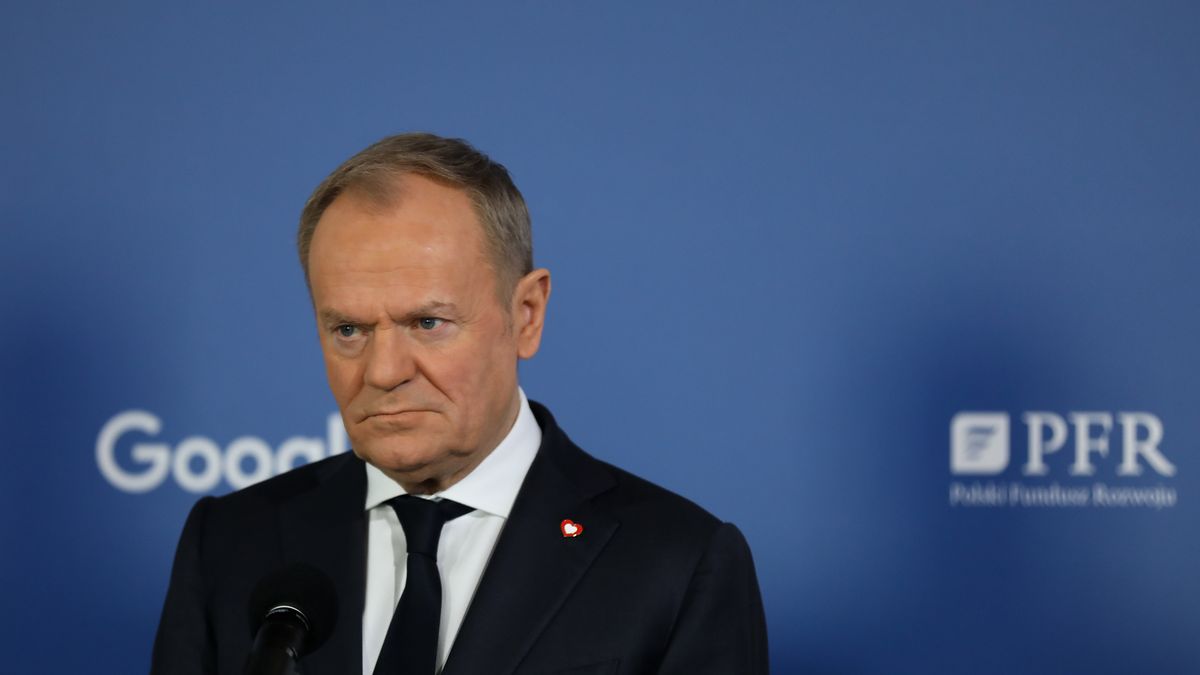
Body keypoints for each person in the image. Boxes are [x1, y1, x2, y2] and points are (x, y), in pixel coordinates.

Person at [151, 133, 769, 675]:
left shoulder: (677, 565)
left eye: (427, 323)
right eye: (349, 330)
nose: (384, 372)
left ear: (526, 315)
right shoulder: (231, 544)